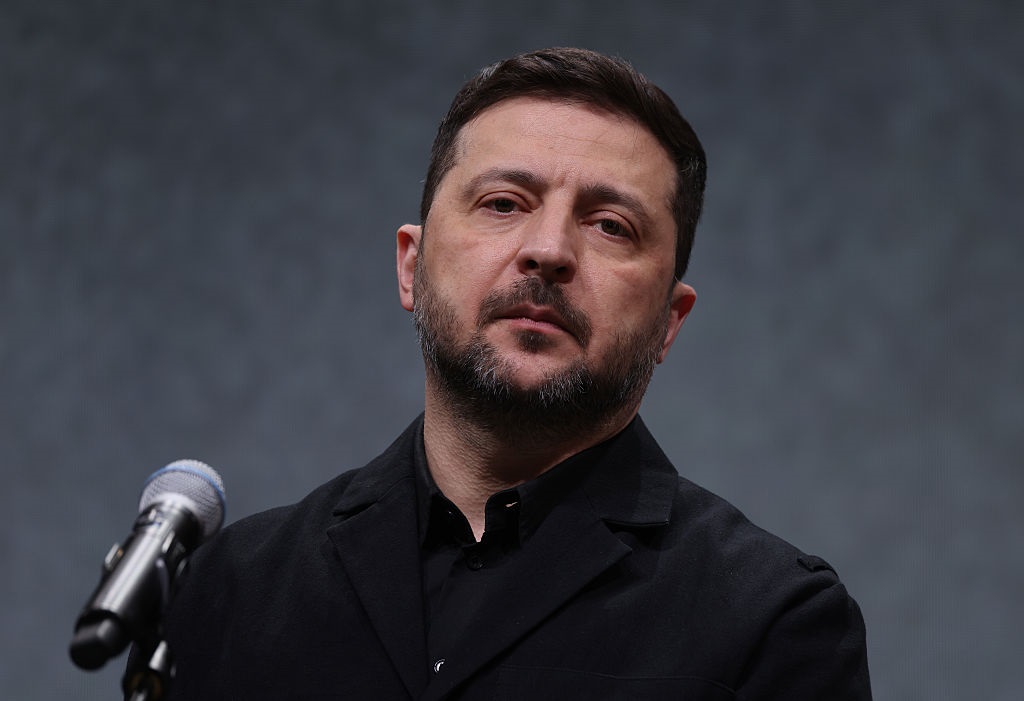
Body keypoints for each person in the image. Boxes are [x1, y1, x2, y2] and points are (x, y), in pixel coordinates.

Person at [153, 47, 871, 700]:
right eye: (503, 203)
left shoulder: (772, 621)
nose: (549, 249)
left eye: (611, 225)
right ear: (411, 265)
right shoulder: (234, 588)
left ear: (669, 321)